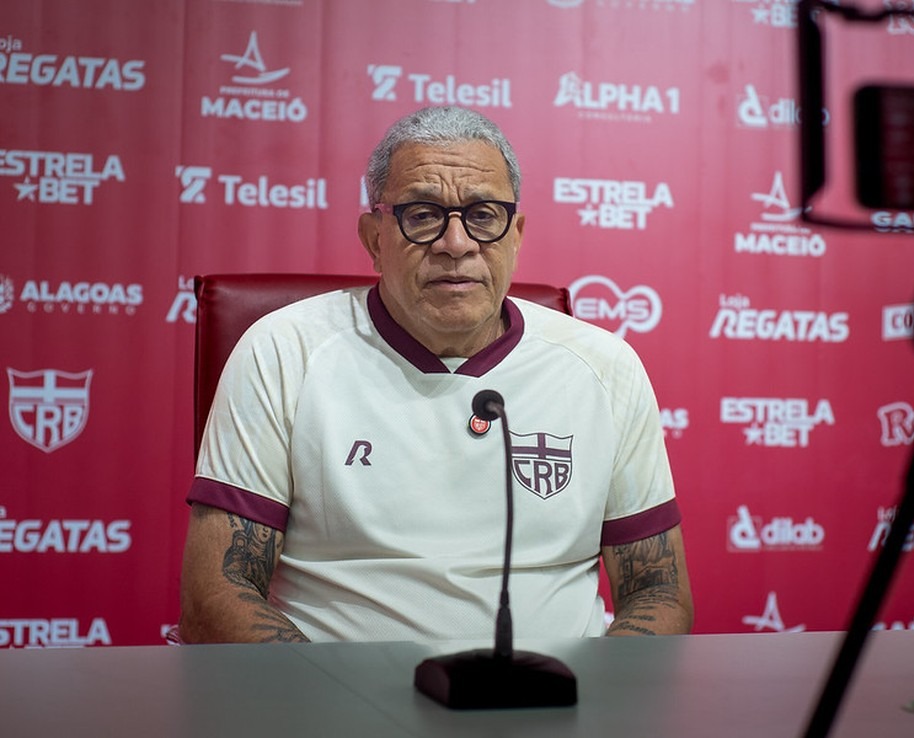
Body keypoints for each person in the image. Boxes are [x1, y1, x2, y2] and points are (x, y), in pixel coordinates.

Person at [179, 105, 694, 643]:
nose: (457, 244)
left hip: (556, 707)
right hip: (341, 708)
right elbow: (218, 591)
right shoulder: (283, 351)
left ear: (516, 234)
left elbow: (658, 590)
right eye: (423, 215)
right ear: (375, 237)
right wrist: (331, 711)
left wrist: (595, 708)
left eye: (484, 215)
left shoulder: (604, 367)